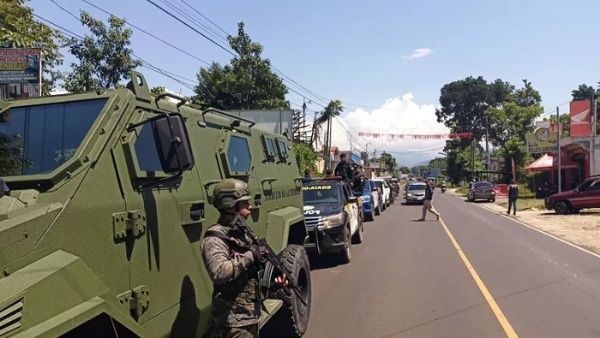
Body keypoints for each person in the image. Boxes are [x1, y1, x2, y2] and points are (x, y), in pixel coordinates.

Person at [202, 178, 286, 338]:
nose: (250, 207)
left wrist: (275, 281)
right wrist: (251, 255)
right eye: (245, 203)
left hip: (249, 317)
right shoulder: (215, 238)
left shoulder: (241, 232)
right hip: (232, 322)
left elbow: (249, 276)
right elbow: (219, 272)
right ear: (230, 205)